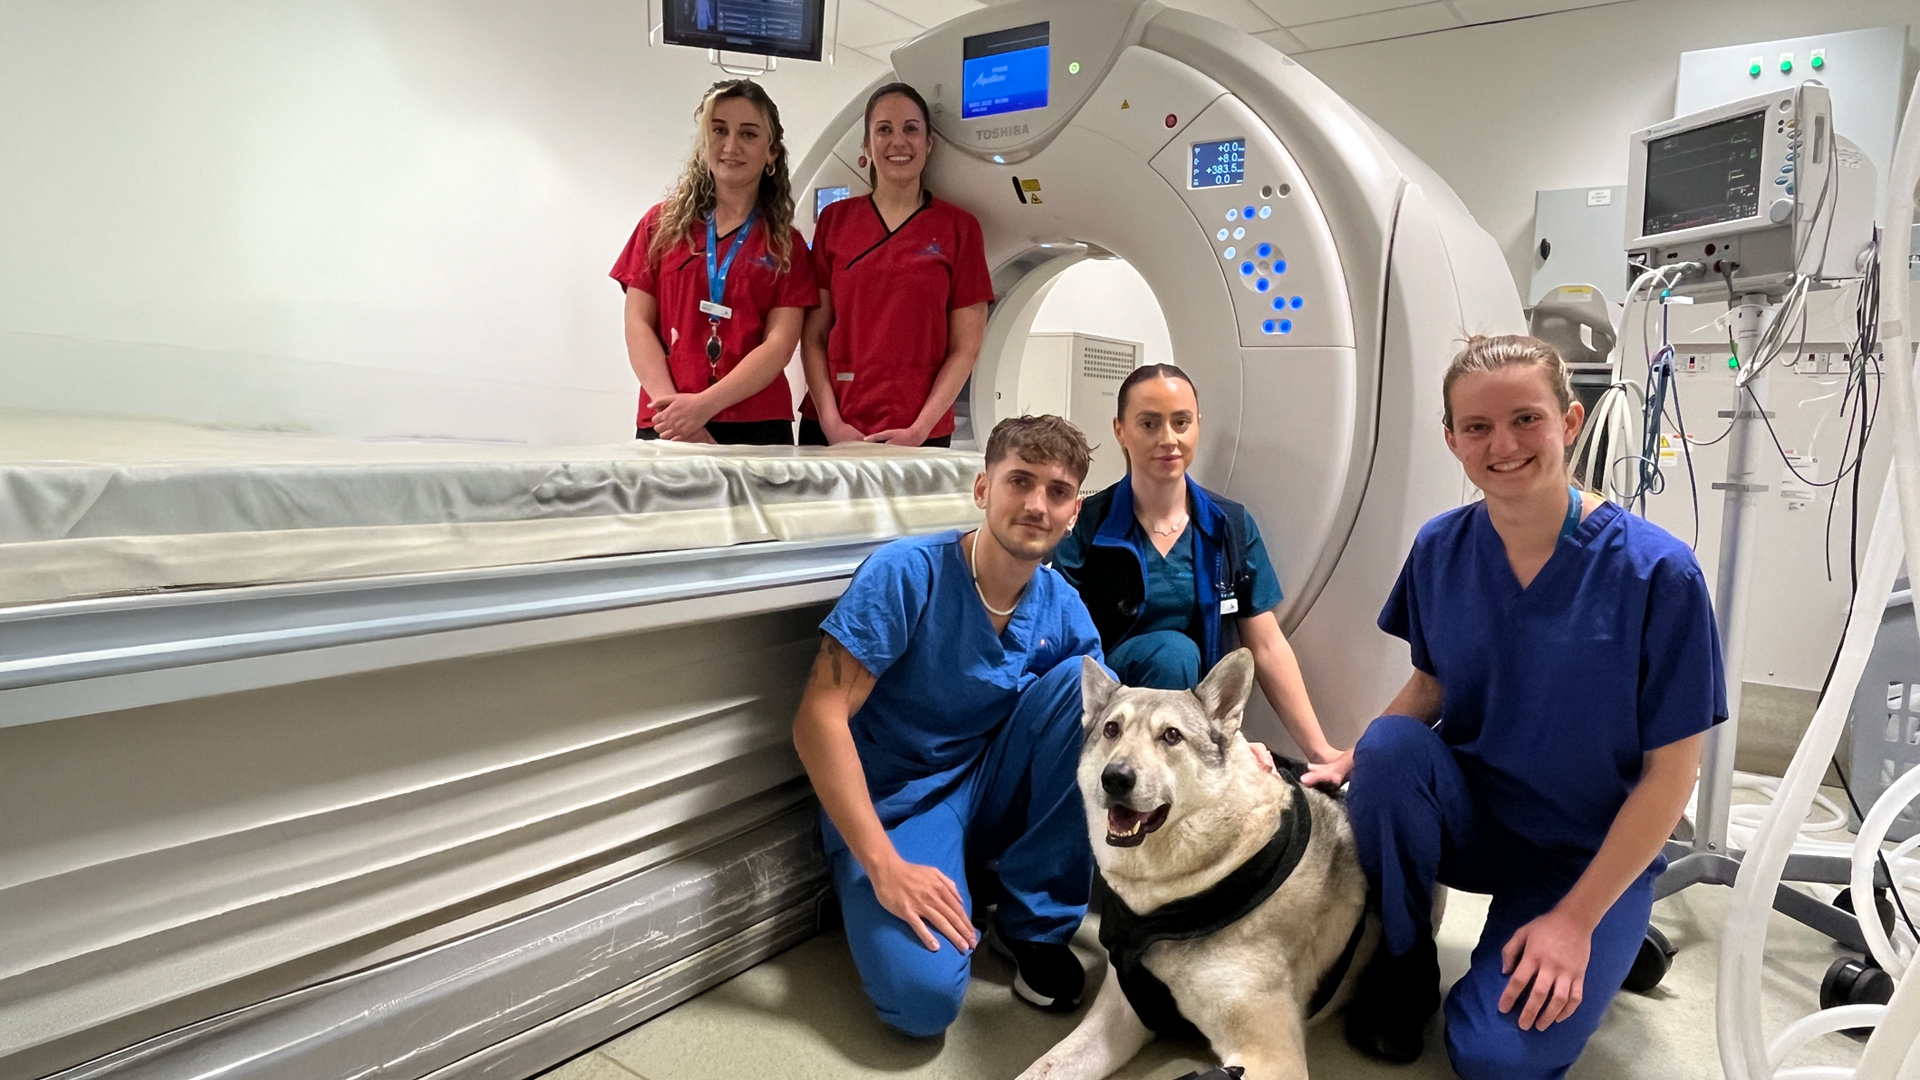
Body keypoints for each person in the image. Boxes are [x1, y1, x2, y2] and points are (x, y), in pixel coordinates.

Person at [1341, 335, 1725, 1079]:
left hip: (1584, 849)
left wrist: (1576, 923)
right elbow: (1432, 685)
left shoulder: (1658, 573)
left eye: (1526, 419)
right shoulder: (1440, 548)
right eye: (1478, 428)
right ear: (1451, 440)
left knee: (1495, 1059)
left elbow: (1673, 776)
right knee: (1388, 748)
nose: (1503, 444)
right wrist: (1350, 759)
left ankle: (1605, 931)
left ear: (1570, 422)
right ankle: (1404, 962)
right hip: (1477, 818)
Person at [790, 415, 1102, 1037]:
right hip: (898, 808)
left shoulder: (1063, 606)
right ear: (983, 489)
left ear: (1074, 512)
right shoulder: (908, 574)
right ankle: (949, 875)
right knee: (922, 1003)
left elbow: (1115, 727)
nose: (1037, 505)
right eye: (1020, 481)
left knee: (1088, 689)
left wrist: (1231, 753)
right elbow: (816, 720)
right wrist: (884, 864)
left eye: (1057, 491)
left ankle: (1030, 927)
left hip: (983, 785)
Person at [1052, 364, 1353, 788]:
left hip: (1188, 721)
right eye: (1149, 423)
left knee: (1183, 662)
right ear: (1120, 430)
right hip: (1111, 711)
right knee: (1172, 653)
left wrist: (1321, 754)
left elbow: (1266, 645)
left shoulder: (1228, 525)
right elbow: (1065, 646)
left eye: (1181, 422)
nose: (1168, 439)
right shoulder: (1089, 524)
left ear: (1198, 426)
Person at [611, 80, 814, 445]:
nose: (731, 146)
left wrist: (703, 407)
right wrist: (677, 415)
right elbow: (637, 324)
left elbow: (780, 344)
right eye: (719, 130)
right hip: (666, 419)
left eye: (748, 134)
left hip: (756, 426)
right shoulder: (659, 226)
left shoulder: (787, 245)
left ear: (772, 153)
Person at [799, 82, 992, 448]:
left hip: (918, 431)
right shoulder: (834, 221)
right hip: (833, 424)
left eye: (911, 129)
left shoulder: (959, 229)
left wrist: (919, 430)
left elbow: (965, 347)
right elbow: (814, 335)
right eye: (883, 130)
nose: (898, 141)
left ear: (928, 143)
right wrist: (829, 420)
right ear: (867, 146)